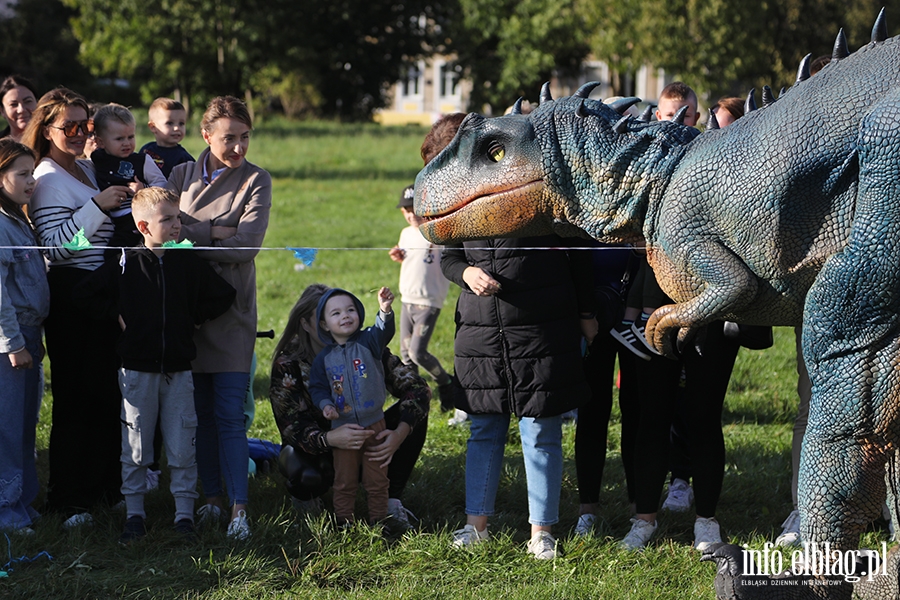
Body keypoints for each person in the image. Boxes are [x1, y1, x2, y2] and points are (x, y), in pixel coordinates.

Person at [429, 110, 596, 559]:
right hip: (481, 334)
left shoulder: (538, 187)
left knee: (541, 431)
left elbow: (579, 254)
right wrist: (466, 272)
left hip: (542, 330)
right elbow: (447, 258)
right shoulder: (455, 200)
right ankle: (475, 525)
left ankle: (541, 532)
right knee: (483, 429)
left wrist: (585, 312)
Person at [73, 187, 236, 543]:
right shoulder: (124, 262)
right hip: (135, 371)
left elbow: (225, 295)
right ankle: (134, 515)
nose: (177, 225)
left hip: (178, 370)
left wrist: (192, 319)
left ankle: (183, 516)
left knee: (181, 445)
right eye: (168, 220)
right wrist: (115, 315)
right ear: (144, 226)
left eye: (178, 218)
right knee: (135, 446)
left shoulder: (188, 262)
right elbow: (82, 293)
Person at [24, 88, 133, 527]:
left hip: (102, 292)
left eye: (84, 126)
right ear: (47, 130)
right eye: (67, 127)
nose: (77, 134)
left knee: (106, 394)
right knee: (77, 397)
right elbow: (55, 248)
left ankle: (106, 489)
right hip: (72, 294)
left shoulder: (87, 167)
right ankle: (70, 498)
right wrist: (96, 207)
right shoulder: (48, 178)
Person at [166, 95, 271, 540]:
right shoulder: (180, 174)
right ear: (206, 136)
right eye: (229, 138)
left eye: (245, 137)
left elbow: (246, 246)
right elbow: (162, 229)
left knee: (230, 413)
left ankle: (239, 508)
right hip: (187, 309)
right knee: (199, 414)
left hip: (231, 312)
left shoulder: (257, 181)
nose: (239, 148)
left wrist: (188, 235)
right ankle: (210, 499)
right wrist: (213, 231)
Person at [269, 283, 430, 528]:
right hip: (318, 448)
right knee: (305, 472)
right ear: (308, 324)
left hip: (368, 433)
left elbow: (417, 389)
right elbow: (291, 427)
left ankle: (391, 501)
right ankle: (309, 499)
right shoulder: (289, 363)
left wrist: (399, 434)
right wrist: (330, 438)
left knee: (413, 413)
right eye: (329, 314)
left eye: (347, 311)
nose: (342, 319)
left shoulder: (364, 347)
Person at [308, 287, 396, 526]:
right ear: (324, 325)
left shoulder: (369, 342)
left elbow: (382, 331)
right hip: (343, 429)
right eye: (335, 313)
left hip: (375, 424)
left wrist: (385, 310)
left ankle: (380, 520)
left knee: (377, 479)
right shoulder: (324, 359)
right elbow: (317, 388)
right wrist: (326, 405)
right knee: (344, 480)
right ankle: (344, 521)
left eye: (350, 310)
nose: (345, 316)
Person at [0, 139, 48, 534]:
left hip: (30, 334)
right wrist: (13, 344)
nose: (31, 181)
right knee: (8, 426)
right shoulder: (0, 224)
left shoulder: (18, 217)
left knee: (26, 424)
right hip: (10, 342)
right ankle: (7, 511)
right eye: (22, 174)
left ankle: (23, 503)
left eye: (32, 172)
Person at [389, 184, 455, 411]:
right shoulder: (406, 233)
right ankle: (415, 396)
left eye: (415, 208)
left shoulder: (437, 233)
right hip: (407, 298)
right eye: (406, 210)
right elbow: (407, 254)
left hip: (428, 301)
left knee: (418, 351)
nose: (411, 214)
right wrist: (398, 254)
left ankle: (446, 383)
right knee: (406, 354)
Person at [90, 103, 167, 252]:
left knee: (115, 253)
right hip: (108, 219)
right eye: (119, 139)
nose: (127, 143)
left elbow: (163, 185)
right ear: (100, 142)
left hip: (134, 218)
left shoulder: (142, 161)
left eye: (130, 137)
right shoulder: (96, 160)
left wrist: (144, 190)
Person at [141, 98, 194, 178]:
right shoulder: (146, 150)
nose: (177, 128)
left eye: (181, 123)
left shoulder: (184, 159)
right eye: (170, 123)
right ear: (153, 127)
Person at [0, 76, 37, 143]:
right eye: (14, 104)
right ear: (2, 110)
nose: (21, 110)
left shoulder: (53, 141)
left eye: (28, 101)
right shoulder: (1, 146)